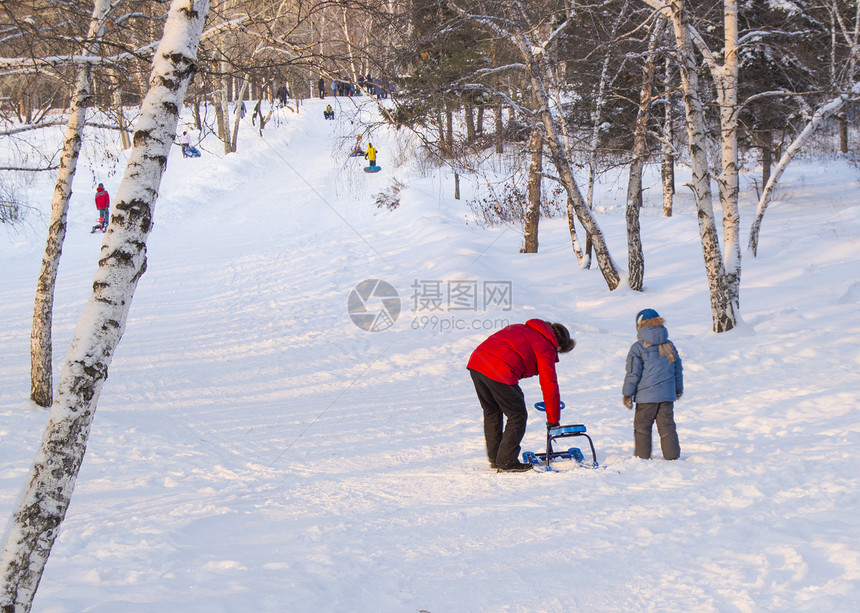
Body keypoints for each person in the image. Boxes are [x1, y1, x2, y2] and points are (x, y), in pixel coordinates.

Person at [467, 320, 576, 472]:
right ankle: (507, 461)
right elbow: (549, 385)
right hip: (499, 369)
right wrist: (553, 420)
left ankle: (496, 459)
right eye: (558, 351)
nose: (556, 354)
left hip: (477, 363)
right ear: (559, 344)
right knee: (517, 415)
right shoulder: (545, 346)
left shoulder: (523, 328)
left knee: (492, 411)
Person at [622, 308, 683, 460]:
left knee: (642, 428)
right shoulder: (668, 345)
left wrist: (627, 393)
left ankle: (642, 458)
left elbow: (633, 373)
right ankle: (672, 457)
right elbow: (677, 370)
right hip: (666, 397)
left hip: (646, 398)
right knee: (667, 427)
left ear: (639, 325)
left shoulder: (638, 347)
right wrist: (677, 389)